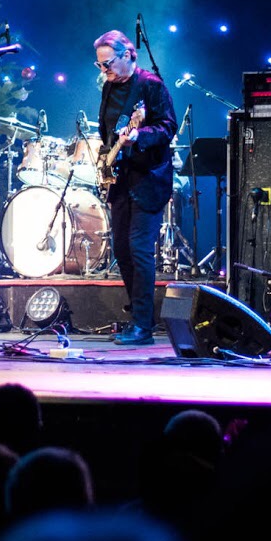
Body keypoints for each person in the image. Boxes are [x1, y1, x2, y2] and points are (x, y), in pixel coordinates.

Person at [92, 30, 178, 345]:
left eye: (108, 63)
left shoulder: (151, 85)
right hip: (121, 178)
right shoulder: (109, 87)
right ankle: (139, 318)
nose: (104, 70)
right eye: (100, 65)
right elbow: (107, 131)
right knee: (122, 250)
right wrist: (107, 158)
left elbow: (168, 126)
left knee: (139, 249)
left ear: (128, 54)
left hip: (149, 178)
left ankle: (143, 326)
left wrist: (140, 135)